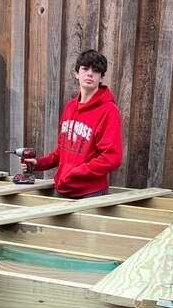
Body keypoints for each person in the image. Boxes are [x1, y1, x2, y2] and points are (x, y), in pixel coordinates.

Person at [22, 50, 122, 198]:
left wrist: (77, 172)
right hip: (63, 189)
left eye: (96, 71)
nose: (90, 74)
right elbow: (62, 152)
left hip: (90, 194)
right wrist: (38, 163)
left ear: (101, 78)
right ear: (77, 73)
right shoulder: (70, 107)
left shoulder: (108, 111)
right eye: (85, 68)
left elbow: (112, 158)